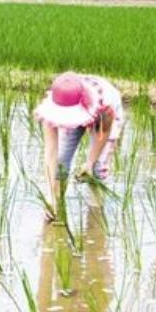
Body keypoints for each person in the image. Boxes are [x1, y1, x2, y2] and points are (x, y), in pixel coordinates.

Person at [34, 72, 124, 219]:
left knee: (98, 168)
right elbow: (51, 153)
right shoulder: (51, 110)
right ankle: (56, 205)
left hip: (103, 117)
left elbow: (104, 131)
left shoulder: (105, 103)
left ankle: (95, 211)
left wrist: (90, 163)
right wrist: (50, 196)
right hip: (80, 105)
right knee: (61, 160)